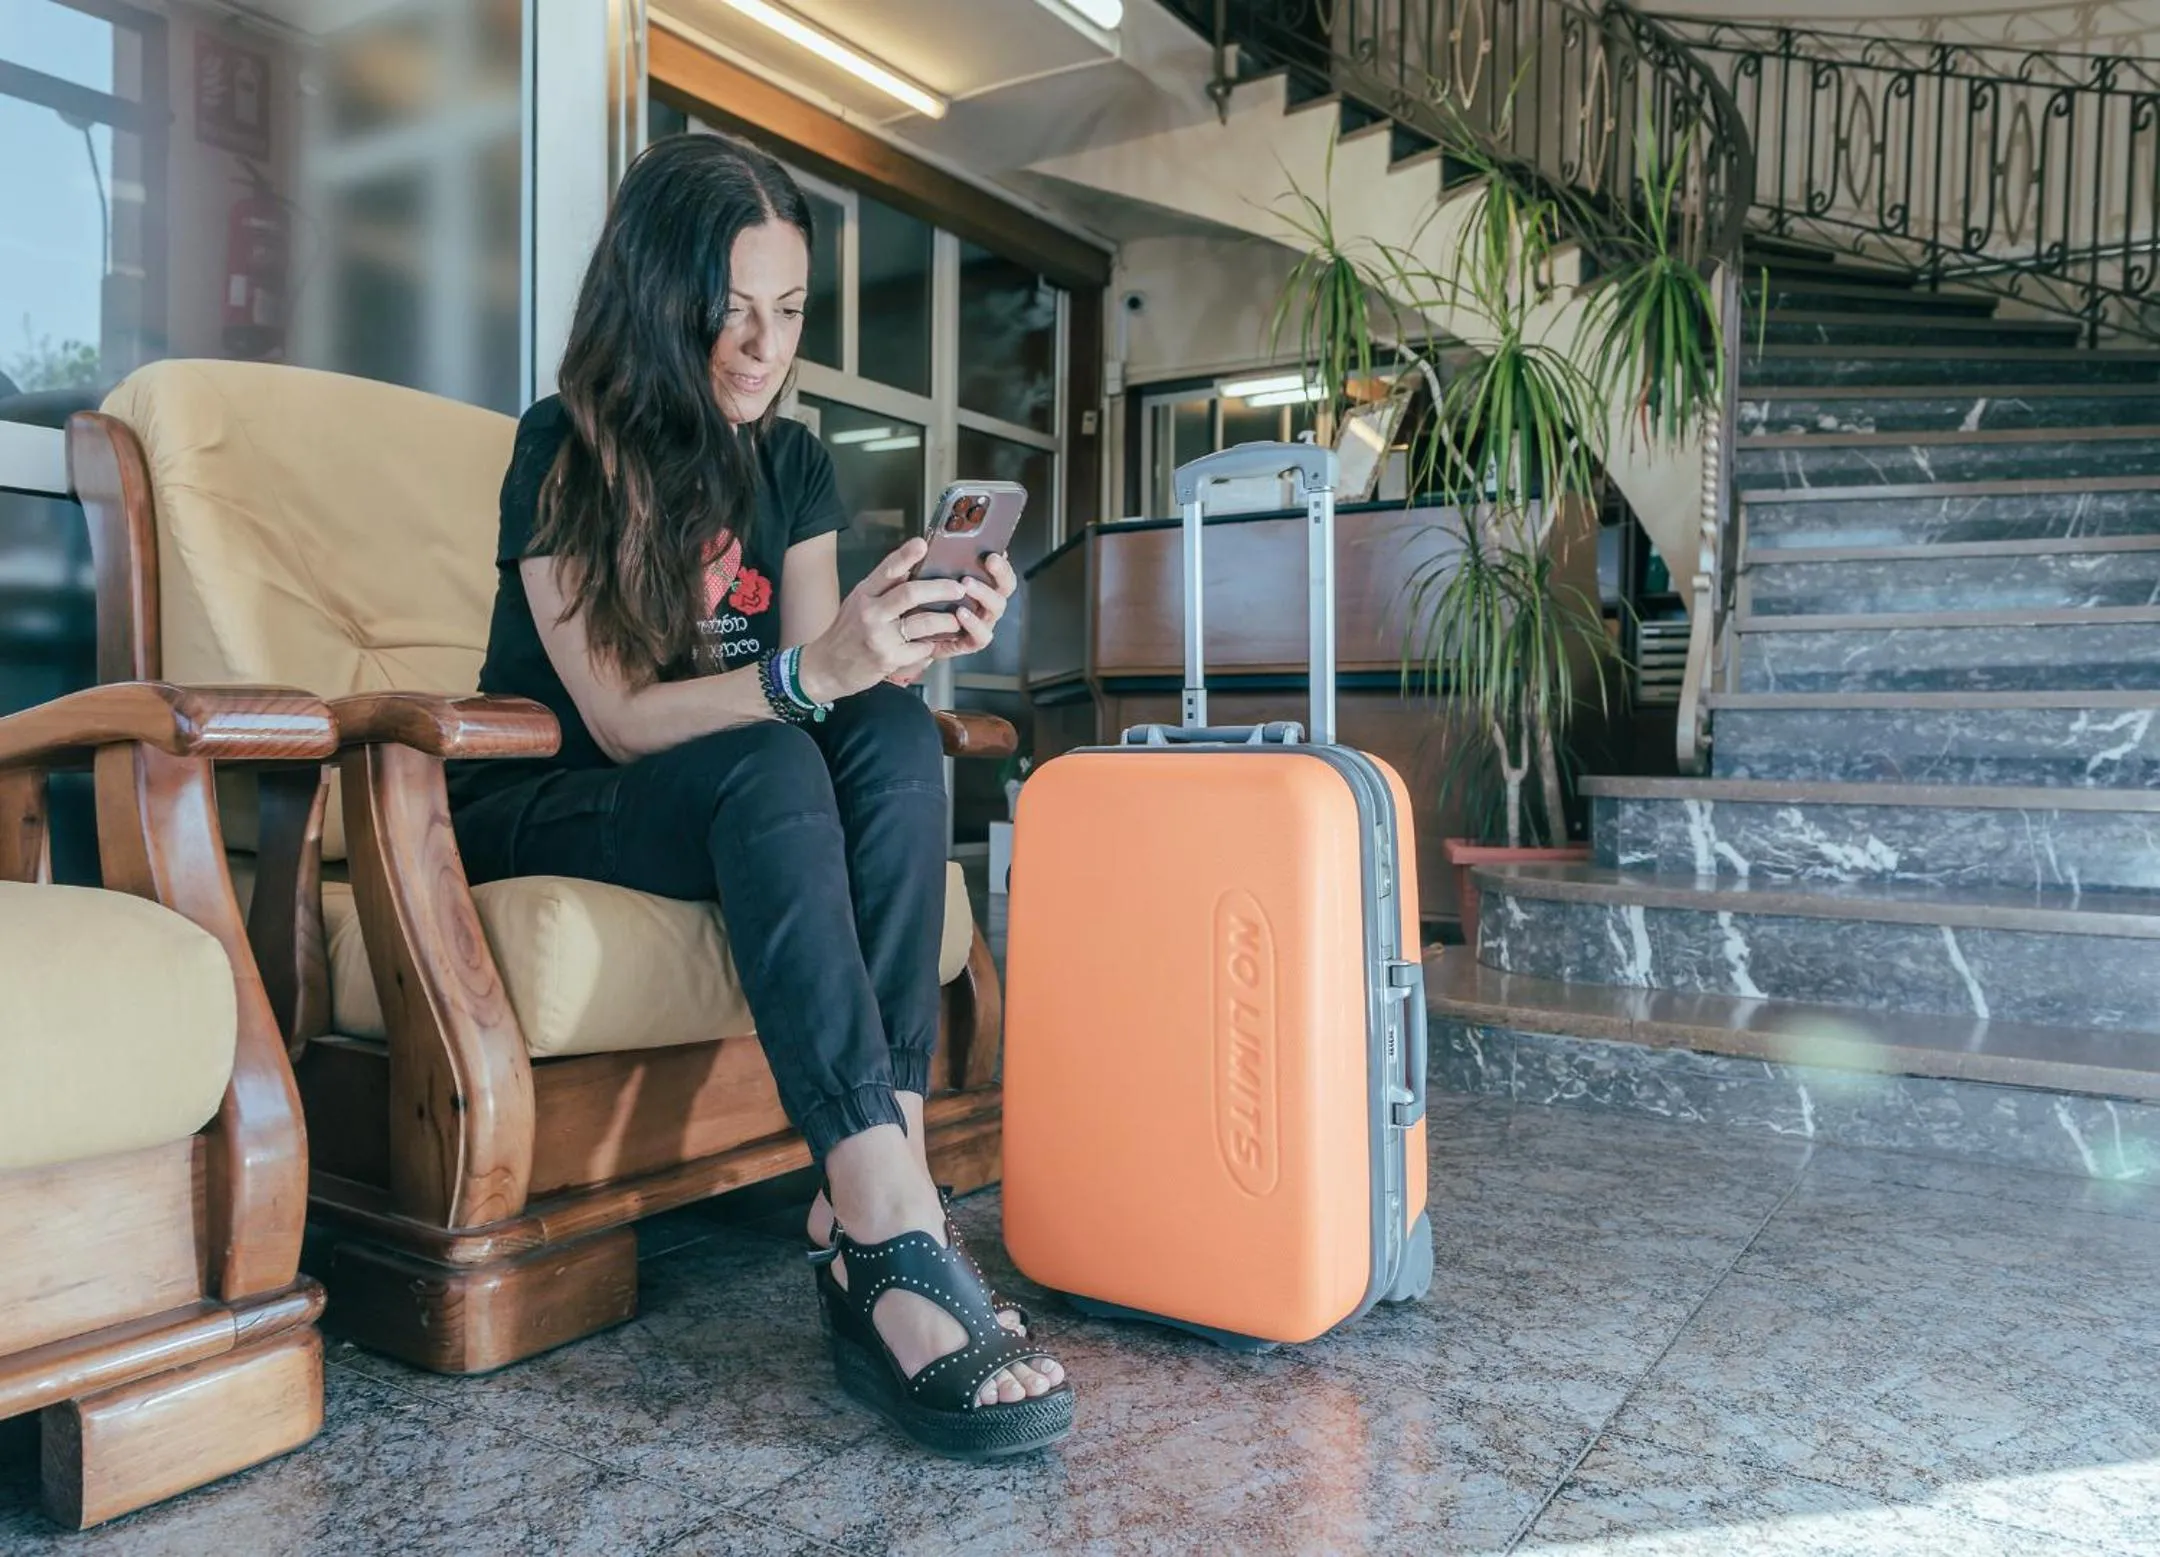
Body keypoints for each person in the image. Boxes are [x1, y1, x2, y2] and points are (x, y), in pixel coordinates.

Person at [446, 133, 1072, 1460]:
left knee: (895, 732)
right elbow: (617, 720)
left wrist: (903, 644)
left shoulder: (791, 465)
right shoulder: (560, 449)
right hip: (555, 797)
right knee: (782, 747)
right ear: (653, 297)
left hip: (741, 783)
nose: (760, 344)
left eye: (786, 313)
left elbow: (824, 686)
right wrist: (815, 672)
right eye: (729, 310)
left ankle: (875, 1210)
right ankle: (894, 1228)